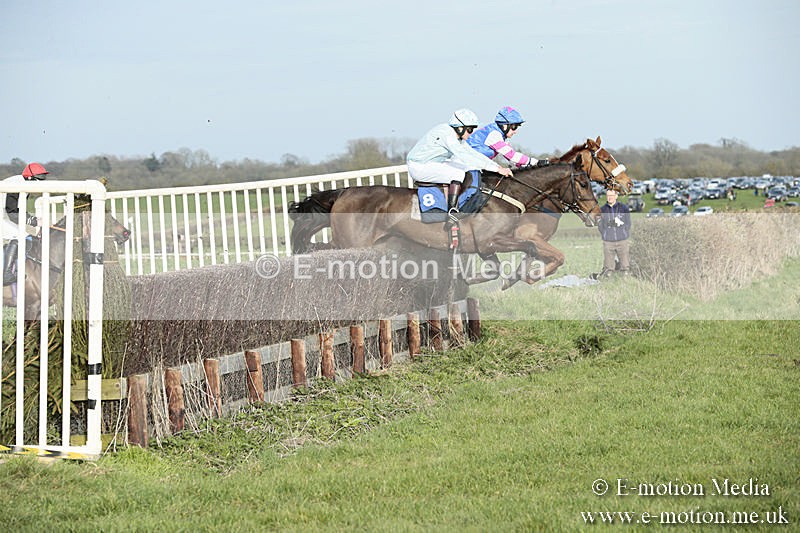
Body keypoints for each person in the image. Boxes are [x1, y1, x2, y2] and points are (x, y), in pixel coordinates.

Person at [407, 109, 513, 219]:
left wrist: (497, 167)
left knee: (467, 168)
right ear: (460, 128)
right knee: (458, 174)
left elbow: (473, 153)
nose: (471, 133)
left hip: (431, 163)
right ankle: (452, 211)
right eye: (470, 129)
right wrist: (496, 169)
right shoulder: (447, 135)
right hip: (419, 166)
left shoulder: (455, 136)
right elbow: (465, 156)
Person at [2, 162, 48, 285]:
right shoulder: (16, 185)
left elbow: (19, 211)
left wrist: (33, 220)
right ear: (30, 177)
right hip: (4, 215)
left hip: (4, 215)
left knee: (26, 238)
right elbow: (12, 213)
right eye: (40, 178)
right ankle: (6, 274)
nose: (42, 182)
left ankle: (15, 269)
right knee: (21, 237)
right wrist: (34, 221)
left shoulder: (24, 185)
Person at [466, 106, 550, 169]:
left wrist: (529, 166)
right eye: (514, 127)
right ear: (505, 125)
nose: (515, 131)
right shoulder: (494, 135)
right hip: (465, 165)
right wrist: (536, 162)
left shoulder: (500, 136)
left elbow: (512, 160)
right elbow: (512, 155)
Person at [597, 188, 631, 276]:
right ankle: (609, 280)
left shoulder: (623, 208)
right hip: (608, 242)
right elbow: (600, 225)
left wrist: (624, 232)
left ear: (616, 196)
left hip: (622, 240)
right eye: (608, 195)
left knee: (625, 265)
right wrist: (605, 234)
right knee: (608, 267)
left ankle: (625, 279)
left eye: (611, 195)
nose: (610, 197)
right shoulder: (602, 210)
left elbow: (628, 223)